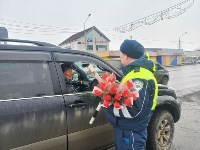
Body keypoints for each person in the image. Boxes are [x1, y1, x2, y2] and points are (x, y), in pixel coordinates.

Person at [106, 39, 158, 150]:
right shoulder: (133, 73)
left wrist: (109, 105)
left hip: (131, 132)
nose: (119, 56)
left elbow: (135, 109)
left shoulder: (139, 77)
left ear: (126, 56)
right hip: (128, 130)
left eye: (121, 53)